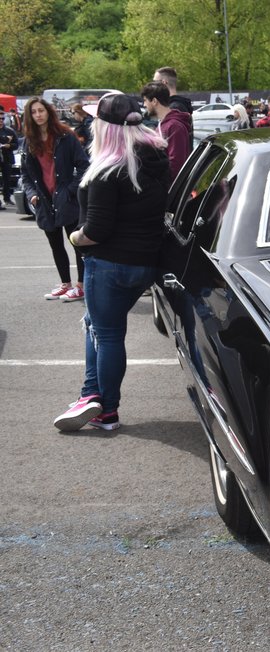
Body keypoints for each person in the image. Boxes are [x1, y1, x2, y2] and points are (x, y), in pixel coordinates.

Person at [53, 93, 170, 432]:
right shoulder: (156, 157)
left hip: (109, 265)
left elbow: (95, 232)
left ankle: (106, 410)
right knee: (96, 325)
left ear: (103, 126)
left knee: (107, 334)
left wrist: (74, 238)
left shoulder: (108, 170)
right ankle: (90, 395)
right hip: (146, 263)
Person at [20, 97, 91, 301]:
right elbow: (26, 175)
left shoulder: (65, 136)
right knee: (55, 245)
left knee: (77, 243)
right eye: (33, 112)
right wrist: (32, 194)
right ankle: (65, 283)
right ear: (29, 116)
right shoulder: (28, 141)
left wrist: (70, 189)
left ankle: (81, 285)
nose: (38, 115)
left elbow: (84, 166)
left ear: (48, 112)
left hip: (66, 199)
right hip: (44, 200)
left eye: (41, 110)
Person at [141, 81, 192, 181]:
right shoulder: (164, 124)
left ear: (154, 101)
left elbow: (176, 165)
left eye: (145, 100)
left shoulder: (174, 127)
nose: (144, 105)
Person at [0, 109, 16, 208]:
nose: (1, 120)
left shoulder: (9, 131)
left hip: (7, 157)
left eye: (2, 118)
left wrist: (9, 146)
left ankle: (7, 198)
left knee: (7, 179)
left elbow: (16, 145)